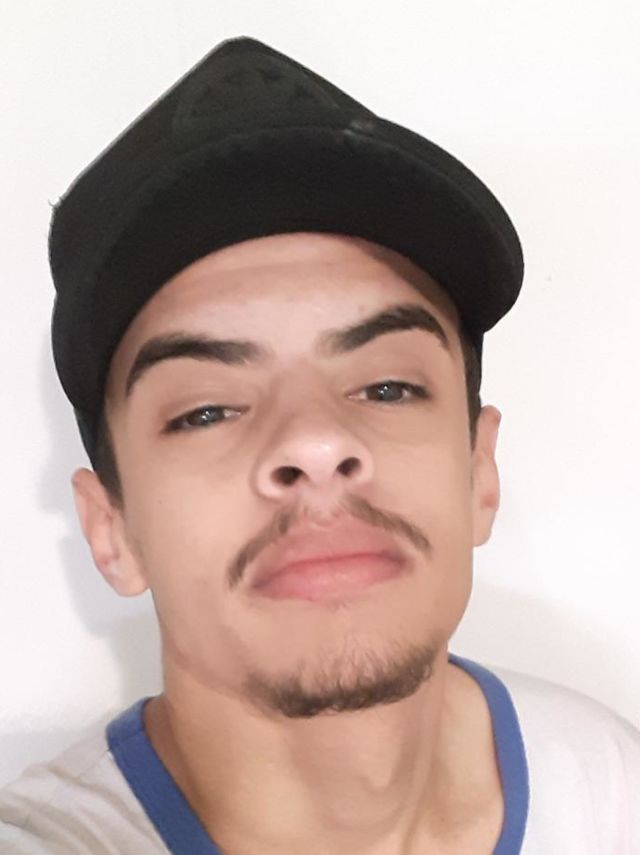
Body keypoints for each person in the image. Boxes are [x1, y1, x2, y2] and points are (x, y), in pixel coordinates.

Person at [1, 35, 638, 855]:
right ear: (111, 531)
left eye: (388, 387)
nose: (317, 440)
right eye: (207, 410)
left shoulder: (606, 788)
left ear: (480, 473)